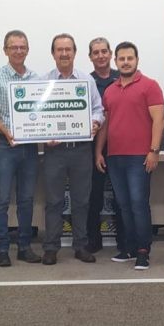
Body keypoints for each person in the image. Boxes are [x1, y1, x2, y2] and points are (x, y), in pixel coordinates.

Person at [94, 41, 164, 270]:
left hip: (139, 157)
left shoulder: (150, 85)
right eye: (121, 58)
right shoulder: (110, 90)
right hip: (115, 157)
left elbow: (158, 120)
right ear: (116, 61)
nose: (125, 62)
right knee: (123, 205)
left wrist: (154, 151)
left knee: (138, 204)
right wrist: (98, 152)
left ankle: (143, 251)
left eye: (130, 58)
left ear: (136, 60)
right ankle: (129, 247)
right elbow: (105, 125)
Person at [40, 33, 104, 265]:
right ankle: (51, 247)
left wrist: (95, 123)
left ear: (75, 53)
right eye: (60, 50)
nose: (64, 53)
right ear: (53, 53)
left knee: (81, 201)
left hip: (80, 150)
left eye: (68, 49)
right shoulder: (42, 81)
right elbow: (34, 115)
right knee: (54, 201)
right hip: (54, 151)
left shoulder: (86, 80)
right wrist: (42, 134)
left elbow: (98, 109)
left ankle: (81, 246)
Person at [0, 30, 42, 267]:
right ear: (6, 50)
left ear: (27, 49)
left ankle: (24, 246)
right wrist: (8, 132)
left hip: (29, 147)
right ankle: (2, 248)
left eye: (22, 47)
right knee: (1, 199)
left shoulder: (36, 79)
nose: (18, 51)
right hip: (4, 146)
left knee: (26, 199)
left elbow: (41, 114)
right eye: (13, 47)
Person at [85, 37, 126, 256]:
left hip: (121, 146)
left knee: (122, 196)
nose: (100, 56)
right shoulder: (84, 82)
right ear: (90, 57)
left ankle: (124, 239)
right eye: (95, 52)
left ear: (110, 54)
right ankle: (93, 240)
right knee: (94, 196)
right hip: (92, 147)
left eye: (104, 51)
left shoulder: (123, 78)